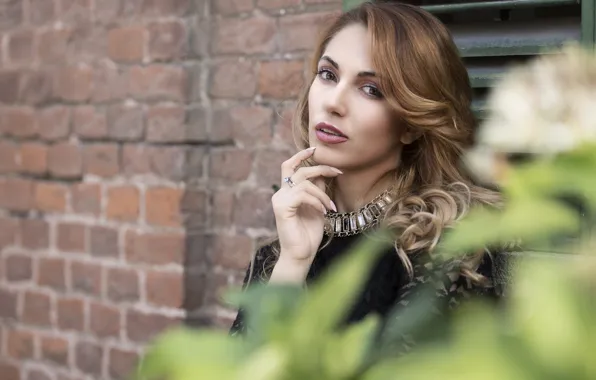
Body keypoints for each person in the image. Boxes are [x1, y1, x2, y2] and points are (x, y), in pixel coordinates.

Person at [229, 1, 506, 341]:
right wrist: (293, 262)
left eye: (371, 89)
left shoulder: (445, 252)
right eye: (328, 75)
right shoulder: (276, 254)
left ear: (411, 124)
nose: (334, 102)